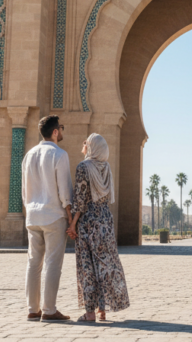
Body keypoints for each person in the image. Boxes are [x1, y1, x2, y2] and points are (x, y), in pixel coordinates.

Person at [67, 133, 130, 322]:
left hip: (88, 222)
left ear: (92, 147)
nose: (83, 145)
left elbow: (80, 200)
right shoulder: (107, 167)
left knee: (87, 267)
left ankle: (89, 313)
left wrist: (72, 224)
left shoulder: (83, 167)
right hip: (105, 221)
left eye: (86, 143)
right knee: (104, 266)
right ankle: (103, 310)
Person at [22, 115, 73, 322]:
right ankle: (49, 310)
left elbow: (25, 191)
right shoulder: (59, 155)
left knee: (34, 263)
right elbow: (65, 192)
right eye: (61, 128)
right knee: (53, 263)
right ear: (54, 132)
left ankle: (33, 309)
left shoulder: (29, 155)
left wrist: (29, 209)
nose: (62, 131)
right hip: (53, 216)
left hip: (33, 216)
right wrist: (71, 218)